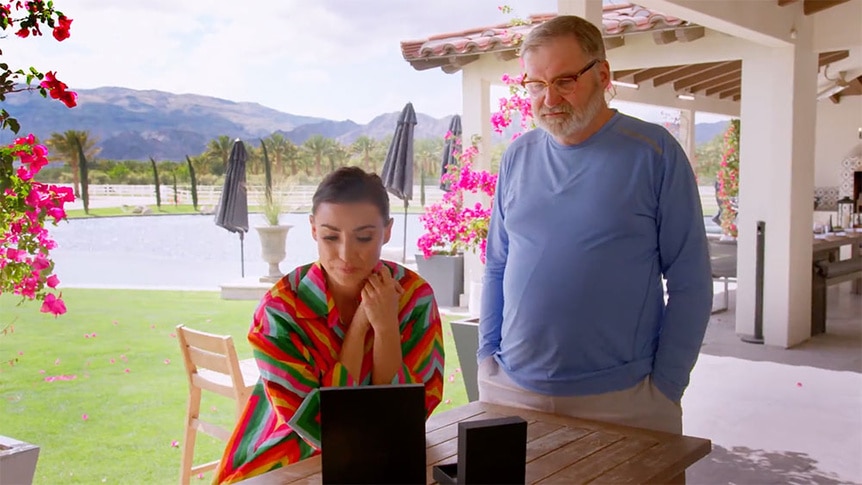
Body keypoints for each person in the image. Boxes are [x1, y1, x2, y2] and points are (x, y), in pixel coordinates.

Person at [479, 15, 713, 436]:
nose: (548, 98)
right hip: (511, 391)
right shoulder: (517, 156)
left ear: (603, 74)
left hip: (623, 401)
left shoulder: (654, 153)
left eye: (564, 80)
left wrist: (666, 388)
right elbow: (497, 263)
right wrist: (486, 358)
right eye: (535, 84)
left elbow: (690, 281)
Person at [214, 167, 444, 484]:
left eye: (364, 237)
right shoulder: (280, 312)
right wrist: (361, 324)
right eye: (330, 236)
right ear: (312, 229)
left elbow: (404, 421)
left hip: (382, 463)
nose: (346, 254)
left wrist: (387, 327)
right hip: (276, 464)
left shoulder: (414, 298)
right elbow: (325, 431)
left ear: (387, 231)